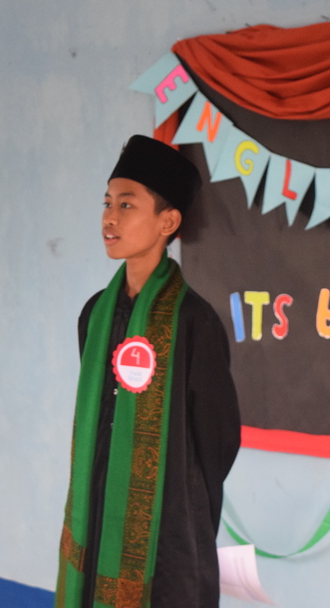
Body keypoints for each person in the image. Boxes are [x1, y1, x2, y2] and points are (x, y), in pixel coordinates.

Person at [56, 135, 242, 608]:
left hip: (167, 525)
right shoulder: (94, 315)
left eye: (126, 204)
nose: (109, 218)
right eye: (107, 203)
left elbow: (218, 439)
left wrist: (172, 494)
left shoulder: (194, 323)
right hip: (96, 509)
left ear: (168, 222)